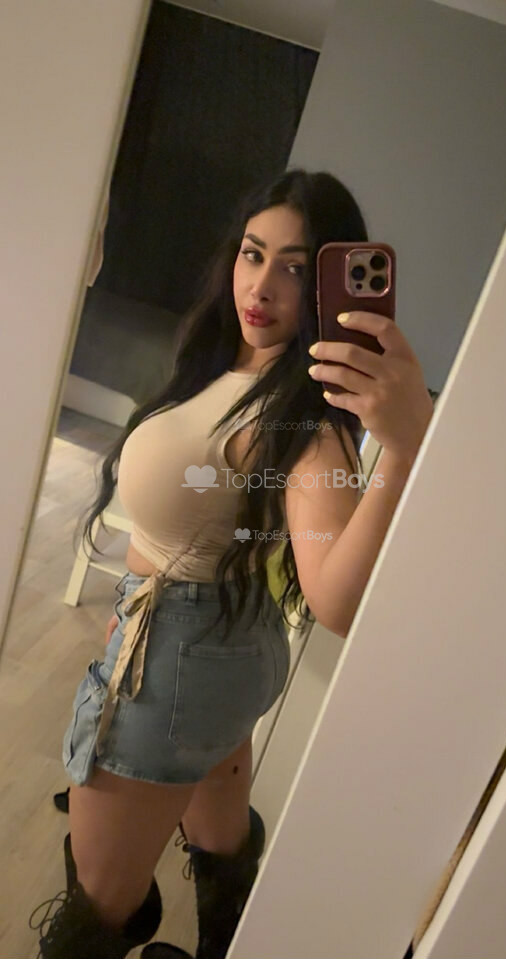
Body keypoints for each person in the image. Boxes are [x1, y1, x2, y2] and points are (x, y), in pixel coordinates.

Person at [30, 168, 434, 959]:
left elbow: (335, 601)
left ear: (326, 288)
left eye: (295, 267)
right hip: (222, 647)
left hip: (178, 664)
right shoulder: (231, 364)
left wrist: (407, 445)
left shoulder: (305, 420)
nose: (262, 284)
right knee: (219, 829)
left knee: (93, 909)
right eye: (253, 253)